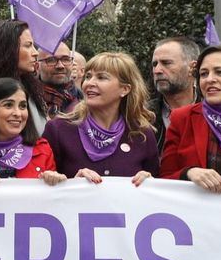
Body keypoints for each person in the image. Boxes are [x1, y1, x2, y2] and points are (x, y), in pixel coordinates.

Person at [43, 52, 158, 185]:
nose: (90, 83)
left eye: (101, 77)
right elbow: (42, 185)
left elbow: (157, 195)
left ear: (125, 89)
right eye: (88, 76)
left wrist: (149, 180)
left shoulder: (142, 134)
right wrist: (71, 183)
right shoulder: (58, 129)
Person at [160, 43, 221, 196]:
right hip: (196, 217)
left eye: (220, 72)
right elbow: (163, 179)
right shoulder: (182, 118)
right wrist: (189, 173)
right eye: (203, 74)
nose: (209, 79)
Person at [149, 37, 200, 151]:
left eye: (166, 63)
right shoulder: (142, 115)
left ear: (192, 68)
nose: (157, 70)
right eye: (154, 64)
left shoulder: (213, 113)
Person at [39, 42, 83, 117]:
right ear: (37, 65)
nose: (60, 66)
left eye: (65, 59)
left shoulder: (83, 101)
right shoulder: (27, 100)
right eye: (51, 60)